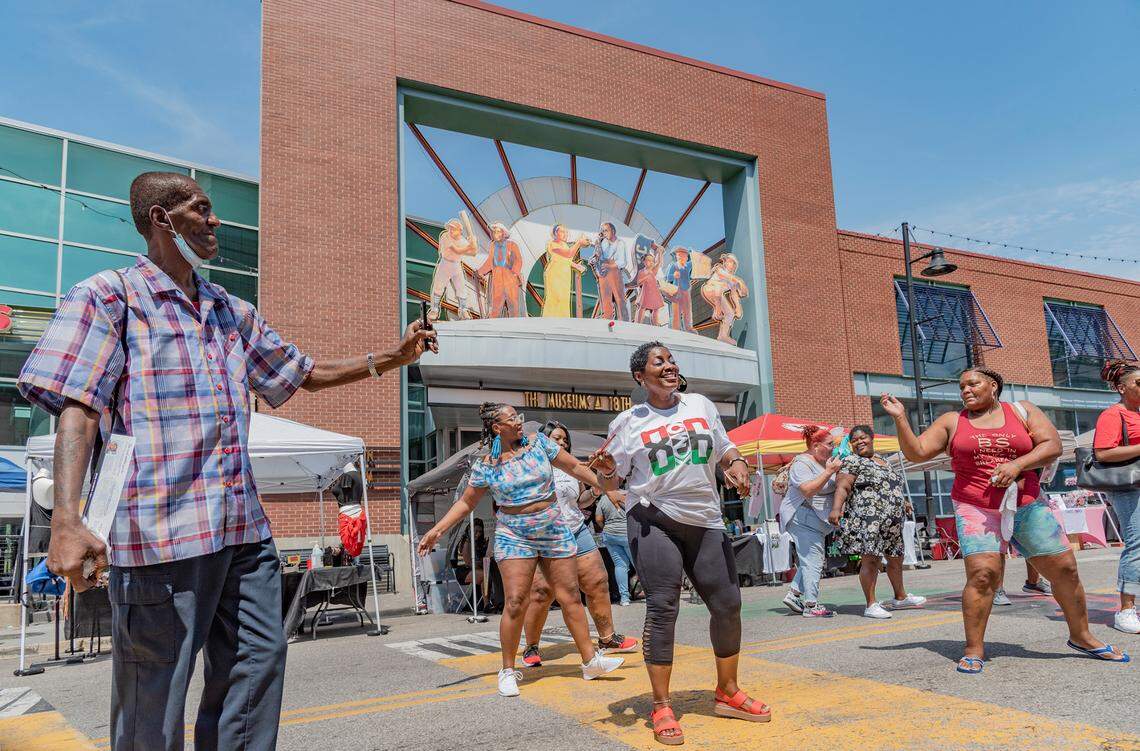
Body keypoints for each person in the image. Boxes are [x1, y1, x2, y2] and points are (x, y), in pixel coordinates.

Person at [17, 171, 439, 751]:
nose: (215, 221)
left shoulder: (229, 311)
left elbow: (302, 374)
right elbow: (79, 408)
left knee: (255, 673)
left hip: (242, 533)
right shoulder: (109, 298)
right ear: (163, 219)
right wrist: (65, 520)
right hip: (159, 539)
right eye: (202, 209)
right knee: (153, 703)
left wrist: (390, 357)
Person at [882, 366, 1130, 673]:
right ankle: (974, 647)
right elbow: (918, 453)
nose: (966, 391)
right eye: (962, 387)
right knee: (984, 574)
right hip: (976, 506)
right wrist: (900, 418)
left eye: (972, 384)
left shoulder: (1022, 410)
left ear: (993, 386)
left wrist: (1017, 465)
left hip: (1026, 503)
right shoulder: (952, 421)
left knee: (1065, 569)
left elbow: (1052, 445)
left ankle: (1081, 635)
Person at [592, 341, 770, 746]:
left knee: (728, 605)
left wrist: (737, 465)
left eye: (671, 360)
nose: (670, 366)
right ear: (641, 376)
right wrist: (604, 473)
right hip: (654, 517)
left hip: (705, 519)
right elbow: (610, 477)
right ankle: (661, 705)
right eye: (659, 362)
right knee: (663, 606)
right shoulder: (628, 421)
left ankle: (727, 691)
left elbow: (725, 450)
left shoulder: (701, 406)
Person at [416, 404, 623, 697]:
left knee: (570, 596)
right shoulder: (487, 465)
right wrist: (437, 531)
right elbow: (466, 503)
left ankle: (590, 661)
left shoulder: (540, 444)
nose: (518, 422)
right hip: (515, 534)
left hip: (553, 528)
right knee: (515, 601)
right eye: (511, 419)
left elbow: (575, 467)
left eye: (518, 417)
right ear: (496, 427)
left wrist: (608, 485)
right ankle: (508, 670)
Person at [521, 421, 637, 667]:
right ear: (543, 440)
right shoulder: (531, 464)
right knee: (542, 593)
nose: (562, 443)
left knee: (597, 582)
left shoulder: (572, 466)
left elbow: (581, 502)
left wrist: (596, 493)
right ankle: (531, 645)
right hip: (544, 535)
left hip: (576, 530)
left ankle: (607, 638)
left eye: (565, 439)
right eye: (556, 438)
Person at [829, 425, 927, 619]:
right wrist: (836, 508)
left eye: (863, 437)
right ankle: (871, 604)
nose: (859, 442)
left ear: (872, 438)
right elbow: (843, 486)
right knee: (871, 560)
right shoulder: (851, 460)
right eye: (855, 440)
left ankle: (900, 597)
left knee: (896, 558)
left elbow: (889, 485)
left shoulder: (883, 461)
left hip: (892, 520)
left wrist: (903, 501)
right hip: (869, 519)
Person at [1093, 360, 1140, 634]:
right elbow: (1103, 453)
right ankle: (1125, 610)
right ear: (1122, 388)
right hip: (1128, 489)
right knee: (1137, 547)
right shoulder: (1114, 414)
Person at [778, 426, 840, 618]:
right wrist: (829, 471)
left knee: (811, 559)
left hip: (813, 519)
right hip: (801, 516)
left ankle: (794, 594)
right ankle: (811, 605)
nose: (833, 447)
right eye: (830, 444)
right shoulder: (801, 463)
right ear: (815, 446)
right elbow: (807, 490)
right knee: (813, 560)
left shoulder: (824, 462)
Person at [429, 218, 478, 321]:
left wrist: (474, 243)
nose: (451, 230)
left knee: (461, 288)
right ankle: (434, 309)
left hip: (456, 265)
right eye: (450, 228)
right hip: (445, 264)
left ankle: (463, 310)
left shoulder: (462, 240)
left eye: (454, 229)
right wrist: (470, 245)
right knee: (438, 287)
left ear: (460, 230)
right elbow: (457, 250)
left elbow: (473, 253)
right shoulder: (445, 236)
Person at [542, 224, 589, 318]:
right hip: (555, 274)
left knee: (564, 299)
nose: (565, 234)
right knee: (556, 297)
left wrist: (577, 266)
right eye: (562, 232)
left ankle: (563, 319)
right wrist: (579, 243)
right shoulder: (552, 243)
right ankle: (549, 319)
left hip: (565, 275)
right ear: (556, 233)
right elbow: (568, 254)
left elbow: (567, 260)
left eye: (566, 232)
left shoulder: (565, 245)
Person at [477, 222, 523, 319]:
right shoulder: (493, 246)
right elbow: (490, 261)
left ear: (503, 233)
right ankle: (492, 326)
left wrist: (515, 272)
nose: (495, 234)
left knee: (513, 304)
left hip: (510, 277)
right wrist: (480, 271)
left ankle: (515, 325)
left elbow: (518, 259)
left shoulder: (512, 244)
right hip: (497, 277)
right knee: (496, 304)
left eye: (498, 232)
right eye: (494, 232)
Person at [700, 253, 748, 345]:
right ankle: (717, 310)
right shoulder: (720, 268)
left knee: (729, 313)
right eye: (730, 262)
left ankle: (723, 335)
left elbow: (734, 295)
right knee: (720, 285)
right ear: (725, 262)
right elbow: (724, 276)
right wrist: (738, 280)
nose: (732, 265)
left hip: (718, 294)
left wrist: (738, 308)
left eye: (734, 264)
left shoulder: (732, 281)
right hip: (710, 289)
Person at [596, 487, 633, 606]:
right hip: (628, 532)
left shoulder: (603, 498)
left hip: (610, 534)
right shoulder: (628, 494)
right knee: (639, 564)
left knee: (620, 565)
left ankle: (624, 598)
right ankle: (650, 594)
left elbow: (598, 519)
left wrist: (605, 527)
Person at [588, 222, 630, 321]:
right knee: (605, 299)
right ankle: (607, 319)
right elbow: (599, 255)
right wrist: (595, 259)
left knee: (619, 299)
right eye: (602, 231)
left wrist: (610, 265)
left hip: (614, 272)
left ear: (613, 231)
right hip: (603, 273)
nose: (603, 233)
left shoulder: (620, 243)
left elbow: (622, 262)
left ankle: (624, 321)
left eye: (606, 230)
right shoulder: (602, 242)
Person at [664, 247, 694, 332]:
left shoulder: (687, 265)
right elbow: (668, 278)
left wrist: (692, 253)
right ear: (677, 256)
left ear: (686, 257)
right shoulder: (674, 266)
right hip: (677, 291)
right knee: (677, 310)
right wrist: (673, 276)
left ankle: (688, 327)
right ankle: (676, 328)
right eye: (679, 255)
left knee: (687, 310)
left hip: (686, 290)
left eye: (684, 256)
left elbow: (694, 261)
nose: (681, 257)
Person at [633, 248, 666, 325]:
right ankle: (638, 322)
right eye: (648, 260)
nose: (651, 262)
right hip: (645, 292)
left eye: (652, 261)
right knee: (642, 307)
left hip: (654, 292)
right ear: (644, 262)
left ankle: (655, 323)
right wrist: (645, 278)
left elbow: (659, 262)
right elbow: (638, 282)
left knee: (656, 308)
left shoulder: (653, 270)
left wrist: (660, 253)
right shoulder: (642, 271)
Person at [456, 518, 488, 587]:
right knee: (487, 576)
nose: (478, 534)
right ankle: (484, 597)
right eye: (475, 531)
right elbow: (469, 563)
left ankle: (477, 597)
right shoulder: (466, 542)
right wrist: (482, 564)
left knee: (489, 575)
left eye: (480, 531)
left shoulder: (476, 542)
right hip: (464, 571)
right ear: (469, 530)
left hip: (474, 569)